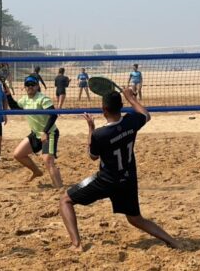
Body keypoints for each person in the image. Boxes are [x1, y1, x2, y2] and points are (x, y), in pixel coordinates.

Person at [59, 89, 182, 251]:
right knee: (136, 219)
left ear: (104, 110)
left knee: (65, 200)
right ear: (122, 106)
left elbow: (92, 156)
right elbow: (146, 115)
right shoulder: (131, 121)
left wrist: (90, 129)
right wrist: (131, 98)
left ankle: (76, 244)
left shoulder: (100, 134)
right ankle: (173, 241)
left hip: (105, 180)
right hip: (128, 179)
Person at [5, 76, 63, 188]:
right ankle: (37, 172)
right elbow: (15, 108)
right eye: (27, 85)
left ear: (37, 86)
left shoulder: (43, 99)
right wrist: (8, 95)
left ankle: (60, 189)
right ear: (24, 87)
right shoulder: (24, 99)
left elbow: (53, 115)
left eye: (32, 84)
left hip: (49, 133)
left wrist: (45, 132)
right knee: (18, 154)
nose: (30, 87)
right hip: (36, 134)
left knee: (47, 160)